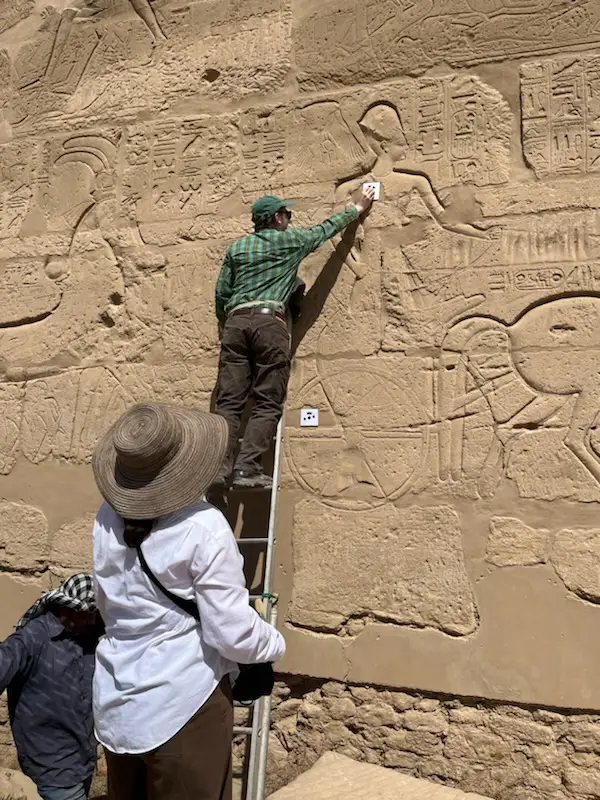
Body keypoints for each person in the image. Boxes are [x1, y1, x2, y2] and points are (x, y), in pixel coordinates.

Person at [91, 401, 285, 800]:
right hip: (184, 704)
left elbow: (110, 604)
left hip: (118, 701)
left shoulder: (106, 518)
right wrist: (275, 642)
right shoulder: (203, 525)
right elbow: (230, 633)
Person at [213, 187, 375, 490]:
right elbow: (323, 232)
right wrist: (357, 209)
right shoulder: (288, 241)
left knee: (229, 403)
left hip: (235, 323)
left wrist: (228, 321)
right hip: (268, 322)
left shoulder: (236, 249)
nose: (289, 219)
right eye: (287, 215)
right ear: (276, 218)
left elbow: (222, 292)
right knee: (266, 400)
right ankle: (246, 468)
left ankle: (220, 469)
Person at [0, 574, 102, 800]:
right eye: (87, 613)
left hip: (82, 760)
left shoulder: (85, 636)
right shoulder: (34, 637)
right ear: (67, 608)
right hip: (52, 765)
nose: (93, 620)